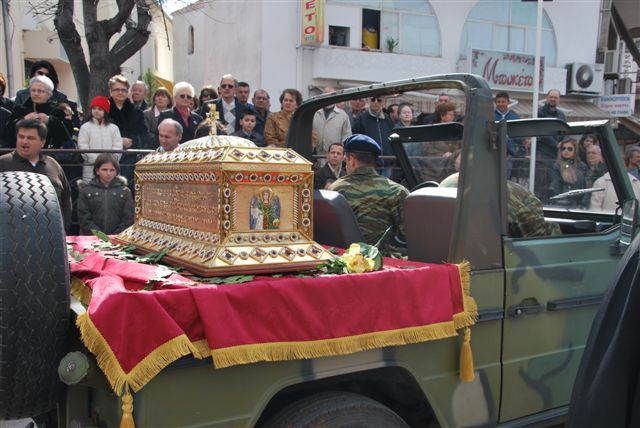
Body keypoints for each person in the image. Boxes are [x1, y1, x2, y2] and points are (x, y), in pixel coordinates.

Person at [329, 134, 409, 255]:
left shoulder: (335, 189)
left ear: (351, 159)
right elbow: (411, 235)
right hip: (382, 263)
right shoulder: (396, 191)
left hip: (344, 262)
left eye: (345, 160)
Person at [0, 118, 72, 231]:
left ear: (42, 142)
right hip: (12, 238)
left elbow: (66, 199)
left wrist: (63, 229)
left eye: (30, 138)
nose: (24, 141)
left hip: (51, 236)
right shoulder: (3, 164)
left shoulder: (53, 165)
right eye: (21, 137)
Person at [7, 75, 74, 151]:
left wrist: (50, 120)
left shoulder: (57, 111)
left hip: (50, 155)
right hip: (23, 154)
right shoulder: (19, 110)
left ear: (49, 94)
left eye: (40, 91)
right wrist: (23, 120)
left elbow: (67, 135)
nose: (36, 93)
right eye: (33, 90)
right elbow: (8, 134)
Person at [77, 153, 134, 235]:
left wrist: (116, 235)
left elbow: (128, 218)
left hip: (118, 238)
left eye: (112, 170)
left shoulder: (125, 191)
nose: (108, 173)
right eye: (104, 170)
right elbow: (84, 217)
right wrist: (100, 235)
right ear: (97, 171)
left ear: (116, 172)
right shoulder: (86, 191)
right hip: (91, 238)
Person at [108, 74, 148, 184]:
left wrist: (132, 141)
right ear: (111, 91)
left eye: (123, 90)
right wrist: (119, 141)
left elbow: (144, 135)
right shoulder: (104, 111)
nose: (120, 92)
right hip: (107, 158)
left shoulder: (137, 112)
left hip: (129, 158)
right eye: (116, 89)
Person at [77, 96, 123, 183]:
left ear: (105, 111)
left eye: (100, 109)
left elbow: (118, 147)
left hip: (111, 169)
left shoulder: (114, 128)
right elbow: (83, 147)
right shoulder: (85, 127)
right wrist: (98, 161)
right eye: (94, 108)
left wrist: (108, 162)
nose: (96, 111)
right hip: (91, 169)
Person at [312, 86, 351, 167]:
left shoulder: (343, 116)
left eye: (331, 95)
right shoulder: (314, 113)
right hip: (316, 157)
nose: (328, 98)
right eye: (325, 95)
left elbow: (346, 137)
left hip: (335, 158)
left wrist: (341, 154)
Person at [352, 96, 394, 170]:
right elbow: (356, 139)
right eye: (373, 99)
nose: (376, 102)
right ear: (369, 101)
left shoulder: (387, 119)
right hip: (369, 162)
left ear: (383, 102)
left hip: (387, 162)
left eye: (379, 100)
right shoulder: (362, 118)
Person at [548, 138, 589, 208]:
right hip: (561, 203)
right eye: (563, 148)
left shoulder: (582, 166)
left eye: (570, 149)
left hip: (578, 204)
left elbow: (586, 187)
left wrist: (582, 204)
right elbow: (555, 187)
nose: (566, 151)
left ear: (575, 151)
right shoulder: (556, 166)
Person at [537, 89, 567, 159]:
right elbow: (542, 133)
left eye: (555, 97)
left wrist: (563, 144)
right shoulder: (540, 113)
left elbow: (566, 131)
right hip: (543, 153)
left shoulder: (561, 115)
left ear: (559, 99)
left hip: (558, 153)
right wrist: (557, 145)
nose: (553, 99)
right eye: (551, 97)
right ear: (547, 98)